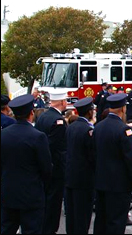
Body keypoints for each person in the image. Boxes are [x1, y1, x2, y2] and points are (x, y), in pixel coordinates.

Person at [1, 95, 52, 234]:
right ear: (31, 113)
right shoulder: (37, 136)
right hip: (31, 194)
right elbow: (46, 168)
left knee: (7, 229)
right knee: (32, 230)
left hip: (8, 193)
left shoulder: (3, 135)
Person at [93, 93, 132, 234]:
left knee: (101, 218)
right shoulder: (124, 129)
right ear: (123, 109)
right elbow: (130, 158)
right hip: (118, 183)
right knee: (116, 220)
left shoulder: (98, 127)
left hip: (101, 180)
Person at [34, 89, 68, 234]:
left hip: (45, 166)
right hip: (56, 167)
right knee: (54, 202)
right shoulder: (58, 120)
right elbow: (56, 146)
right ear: (62, 102)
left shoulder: (43, 116)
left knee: (47, 200)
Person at [64, 97, 96, 234]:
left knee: (71, 216)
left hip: (70, 175)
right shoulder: (88, 130)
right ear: (89, 112)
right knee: (83, 216)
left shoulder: (70, 127)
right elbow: (92, 155)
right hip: (84, 179)